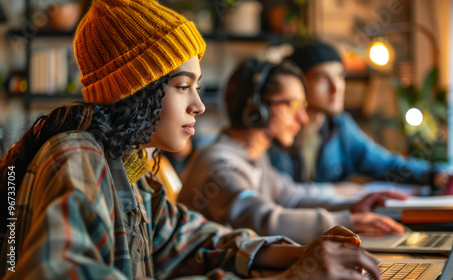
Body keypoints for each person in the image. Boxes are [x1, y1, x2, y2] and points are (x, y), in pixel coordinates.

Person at [0, 1, 381, 279]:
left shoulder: (131, 170)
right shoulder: (78, 157)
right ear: (137, 89)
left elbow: (192, 240)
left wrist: (298, 255)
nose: (198, 105)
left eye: (196, 86)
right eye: (183, 86)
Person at [178, 58, 406, 245]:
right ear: (257, 108)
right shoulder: (221, 165)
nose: (303, 118)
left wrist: (354, 206)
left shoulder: (251, 157)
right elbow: (263, 221)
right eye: (294, 105)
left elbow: (292, 196)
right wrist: (348, 222)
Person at [267, 41, 450, 190]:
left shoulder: (339, 127)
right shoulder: (274, 131)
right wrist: (337, 192)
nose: (336, 87)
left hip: (335, 229)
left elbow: (385, 165)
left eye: (340, 76)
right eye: (322, 78)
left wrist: (434, 175)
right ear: (298, 83)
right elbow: (278, 199)